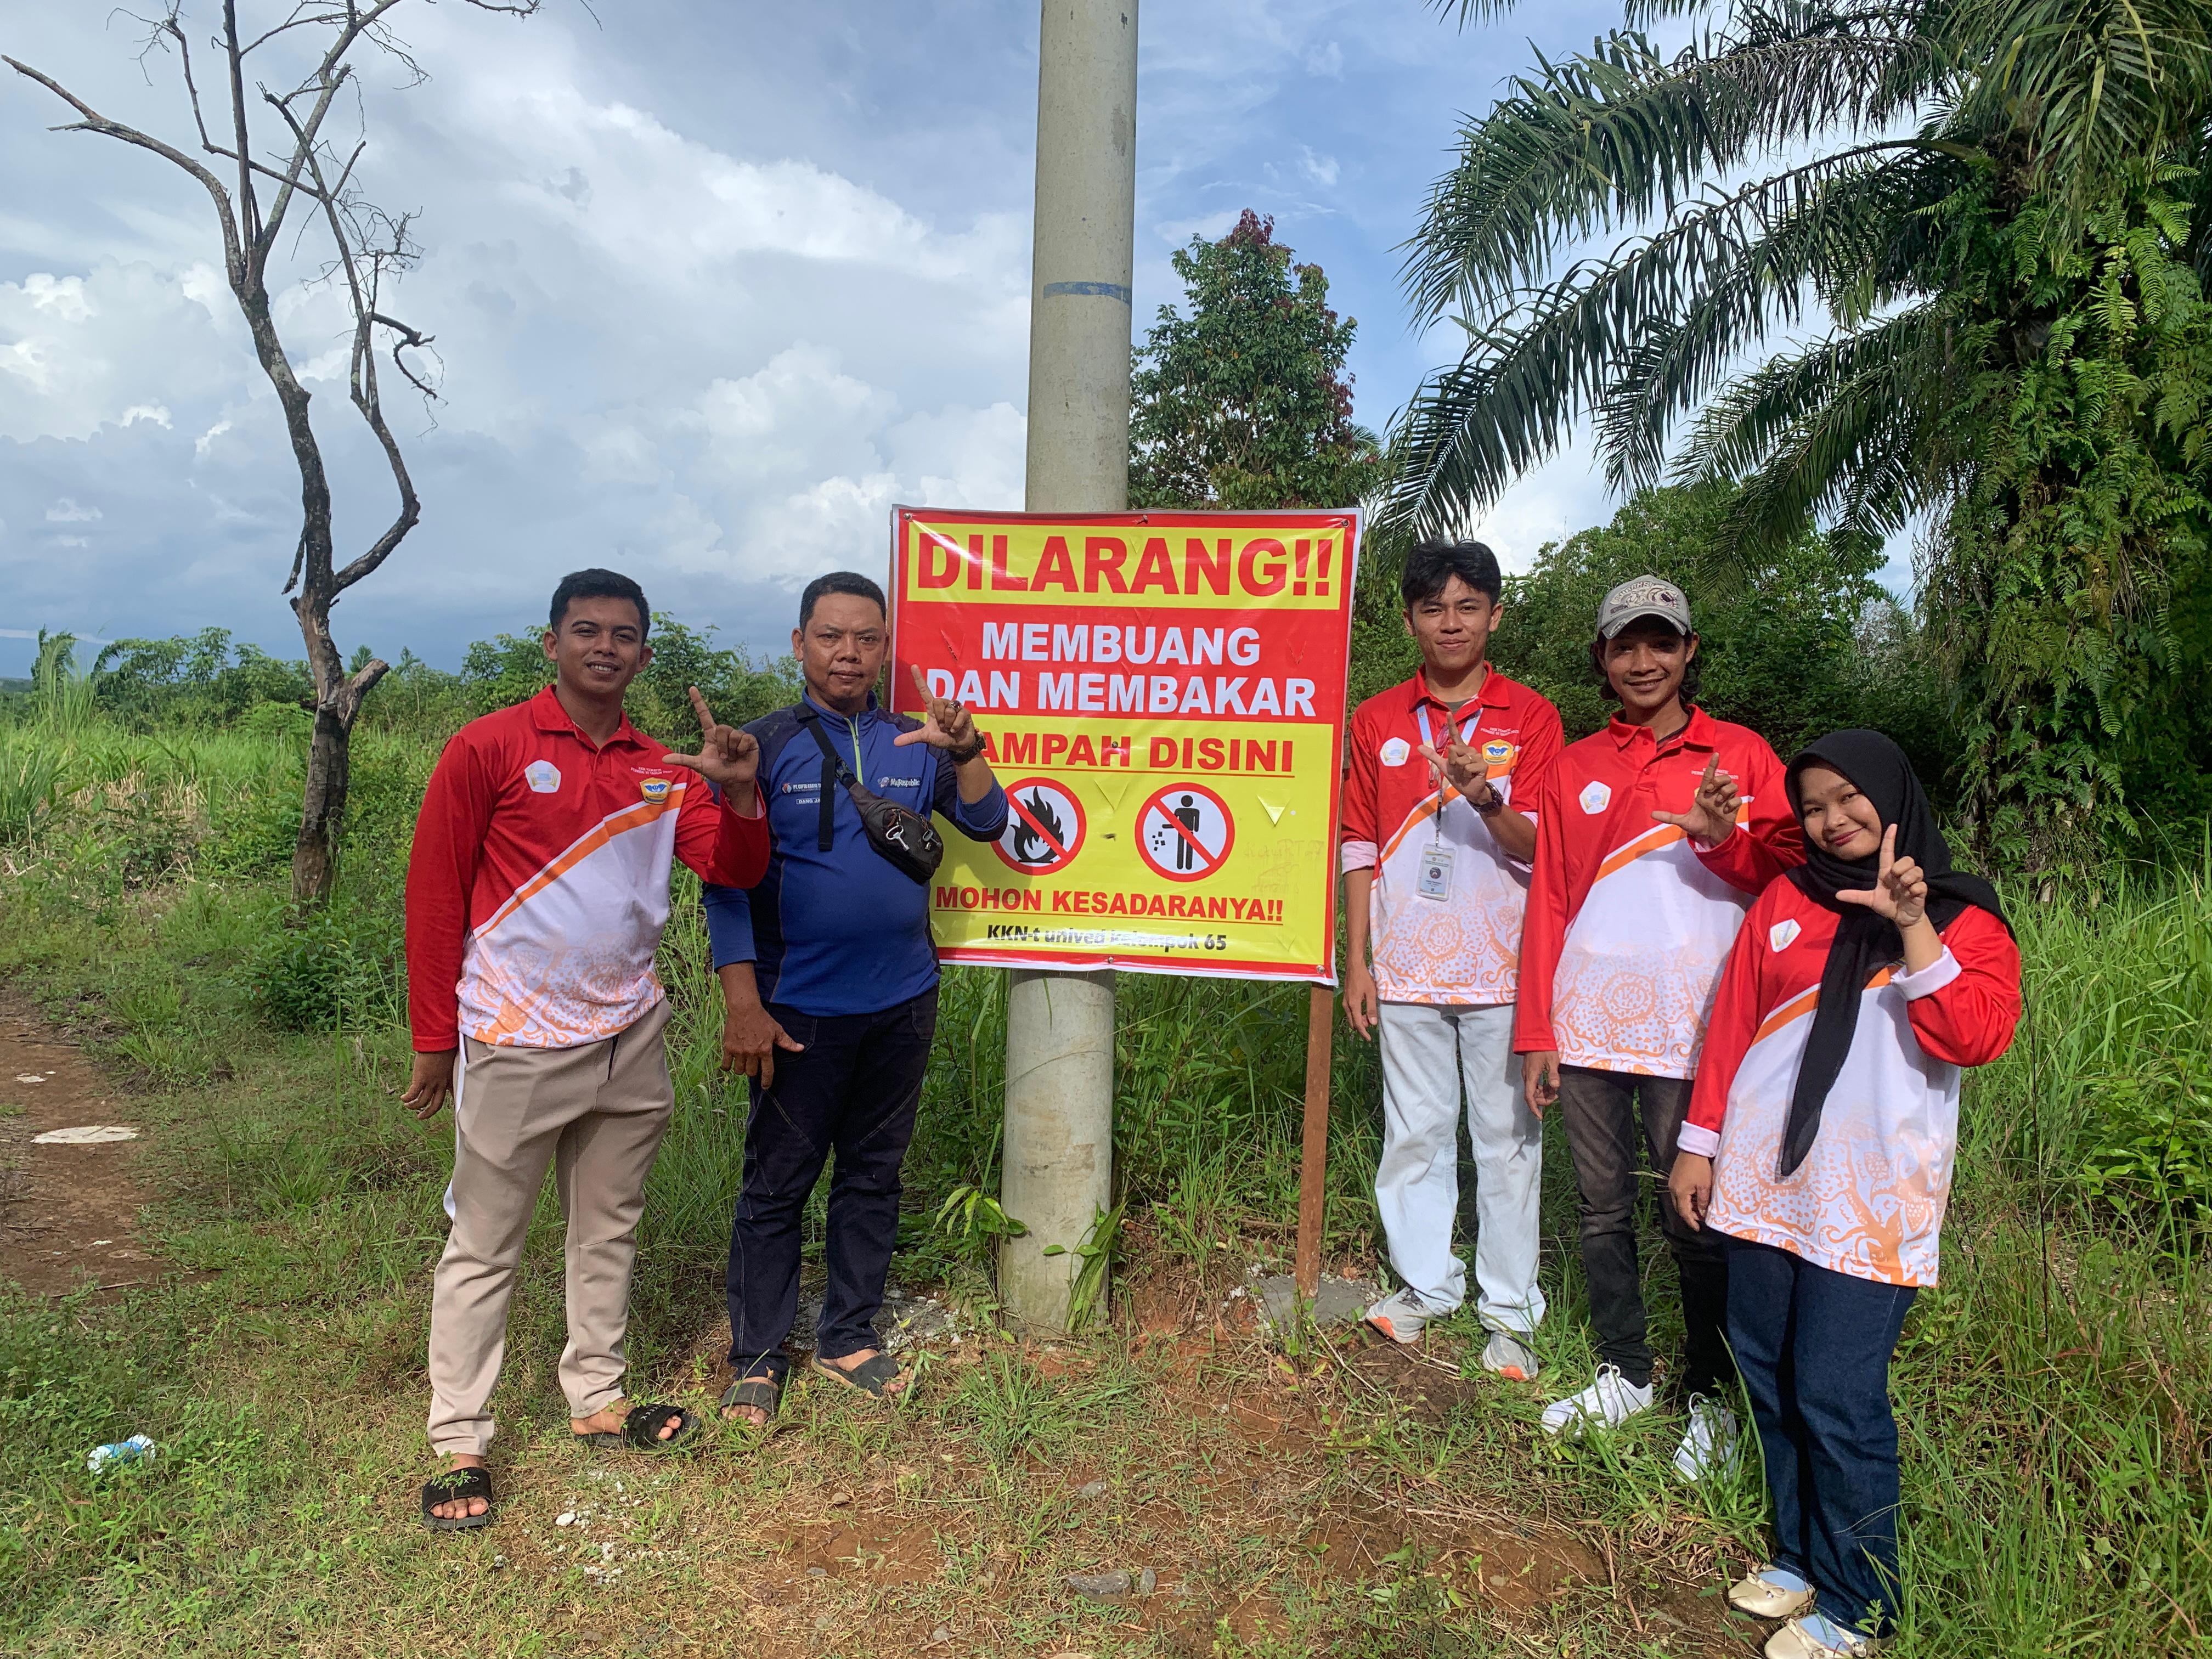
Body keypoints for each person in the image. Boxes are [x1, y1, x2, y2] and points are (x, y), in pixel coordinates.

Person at [402, 568, 770, 1530]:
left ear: (645, 654)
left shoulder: (665, 767)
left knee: (608, 1225)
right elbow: (436, 896)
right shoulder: (489, 748)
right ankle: (460, 1439)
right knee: (484, 1244)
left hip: (630, 1035)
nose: (605, 647)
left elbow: (733, 866)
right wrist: (435, 1040)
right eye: (586, 631)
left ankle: (597, 1399)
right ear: (552, 644)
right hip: (517, 1041)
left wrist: (739, 794)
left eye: (624, 635)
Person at [1669, 731, 2019, 1659]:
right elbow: (1733, 1027)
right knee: (1767, 1371)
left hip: (1868, 1198)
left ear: (1893, 793)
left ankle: (1860, 1603)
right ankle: (1796, 1556)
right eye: (1814, 805)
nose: (1831, 819)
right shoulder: (1785, 898)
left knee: (1837, 1391)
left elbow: (1972, 1037)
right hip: (1763, 1179)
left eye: (1847, 798)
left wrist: (1910, 927)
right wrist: (1697, 1148)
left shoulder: (1964, 917)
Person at [703, 571, 1007, 1427]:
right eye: (830, 635)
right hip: (795, 1008)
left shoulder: (916, 740)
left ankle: (847, 1337)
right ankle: (758, 1356)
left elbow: (989, 827)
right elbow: (727, 884)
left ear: (885, 648)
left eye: (866, 638)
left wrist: (967, 749)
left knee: (873, 1177)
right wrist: (742, 1002)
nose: (849, 652)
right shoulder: (762, 745)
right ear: (799, 644)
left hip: (904, 998)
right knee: (777, 1184)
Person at [1515, 574, 1802, 1476]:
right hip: (1589, 1022)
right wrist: (1537, 1029)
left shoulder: (1743, 755)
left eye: (1661, 642)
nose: (1644, 661)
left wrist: (1724, 837)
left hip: (1699, 1029)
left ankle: (1710, 1398)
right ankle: (1624, 1372)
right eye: (1625, 645)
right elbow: (1550, 903)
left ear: (1688, 653)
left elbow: (1789, 876)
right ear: (1602, 659)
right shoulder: (1573, 766)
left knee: (1695, 1214)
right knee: (1602, 1208)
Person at [1340, 539, 1564, 1377]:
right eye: (1434, 608)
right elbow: (1359, 844)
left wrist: (1483, 794)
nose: (1451, 622)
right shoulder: (1377, 720)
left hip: (1503, 968)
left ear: (1496, 616)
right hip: (1402, 970)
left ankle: (1510, 1309)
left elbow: (1542, 847)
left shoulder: (1532, 718)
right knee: (1416, 1133)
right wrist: (1357, 961)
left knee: (1507, 1140)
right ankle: (1428, 1285)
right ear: (1409, 621)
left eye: (1469, 606)